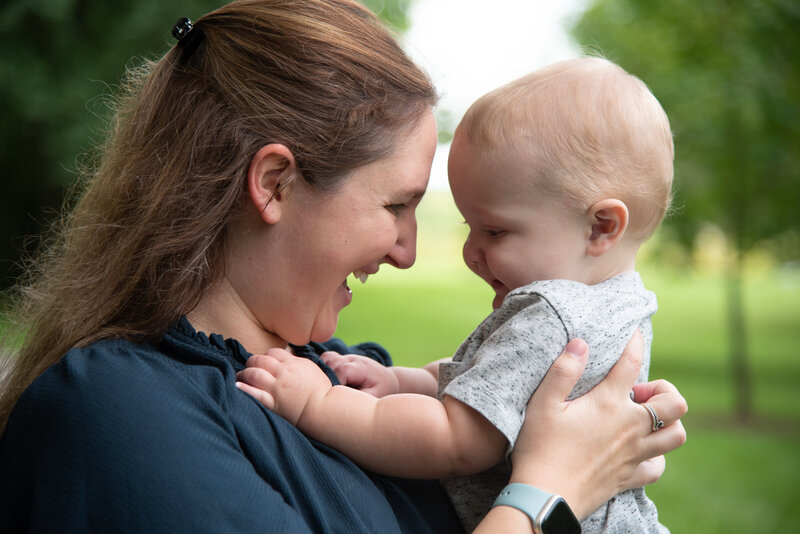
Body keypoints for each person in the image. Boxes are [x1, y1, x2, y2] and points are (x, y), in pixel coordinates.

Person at [0, 1, 687, 532]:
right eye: (396, 205)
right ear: (274, 183)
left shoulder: (341, 375)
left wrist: (606, 430)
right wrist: (551, 493)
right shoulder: (117, 418)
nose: (408, 251)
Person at [236, 57, 676, 532]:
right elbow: (494, 391)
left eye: (494, 231)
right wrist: (404, 382)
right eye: (470, 227)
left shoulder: (552, 313)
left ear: (600, 227)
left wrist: (318, 405)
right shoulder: (620, 305)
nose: (471, 252)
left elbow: (459, 439)